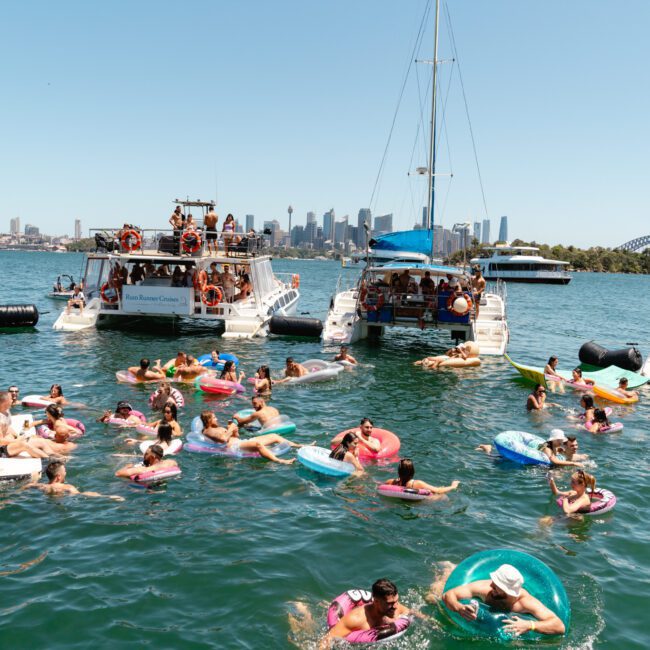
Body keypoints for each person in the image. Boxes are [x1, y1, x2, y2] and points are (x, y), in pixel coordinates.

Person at [441, 564, 565, 636]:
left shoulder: (524, 603)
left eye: (496, 586)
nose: (491, 586)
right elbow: (449, 594)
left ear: (509, 591)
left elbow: (559, 626)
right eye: (493, 583)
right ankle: (448, 569)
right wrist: (459, 608)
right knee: (433, 596)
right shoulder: (484, 588)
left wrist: (530, 625)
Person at [321, 579, 414, 647]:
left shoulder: (394, 607)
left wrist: (427, 619)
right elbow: (328, 639)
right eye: (390, 603)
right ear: (376, 601)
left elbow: (410, 612)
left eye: (397, 601)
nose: (396, 606)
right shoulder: (356, 619)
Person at [199, 411, 302, 464]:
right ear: (208, 420)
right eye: (214, 417)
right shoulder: (208, 431)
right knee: (258, 445)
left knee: (274, 436)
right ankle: (280, 461)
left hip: (241, 442)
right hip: (235, 447)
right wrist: (231, 428)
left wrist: (234, 431)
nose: (216, 419)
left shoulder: (217, 427)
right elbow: (223, 440)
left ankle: (298, 445)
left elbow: (235, 436)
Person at [29, 461, 124, 500]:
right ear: (58, 477)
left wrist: (34, 480)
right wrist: (107, 496)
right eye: (64, 471)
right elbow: (82, 494)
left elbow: (28, 486)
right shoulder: (67, 487)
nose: (65, 473)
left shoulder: (41, 486)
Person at [383, 459, 459, 498]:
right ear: (412, 472)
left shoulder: (390, 482)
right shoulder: (418, 484)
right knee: (441, 495)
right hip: (416, 503)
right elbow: (439, 491)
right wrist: (453, 486)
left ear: (399, 471)